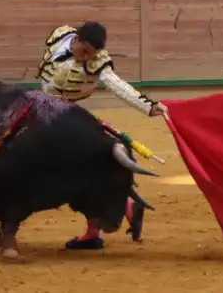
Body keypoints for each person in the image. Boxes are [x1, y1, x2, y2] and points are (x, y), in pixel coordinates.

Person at [37, 21, 167, 250]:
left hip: (65, 118)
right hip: (42, 110)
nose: (86, 58)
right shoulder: (60, 35)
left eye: (91, 55)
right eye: (84, 51)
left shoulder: (98, 63)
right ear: (75, 39)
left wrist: (148, 106)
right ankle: (123, 208)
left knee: (71, 172)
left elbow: (119, 86)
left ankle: (98, 227)